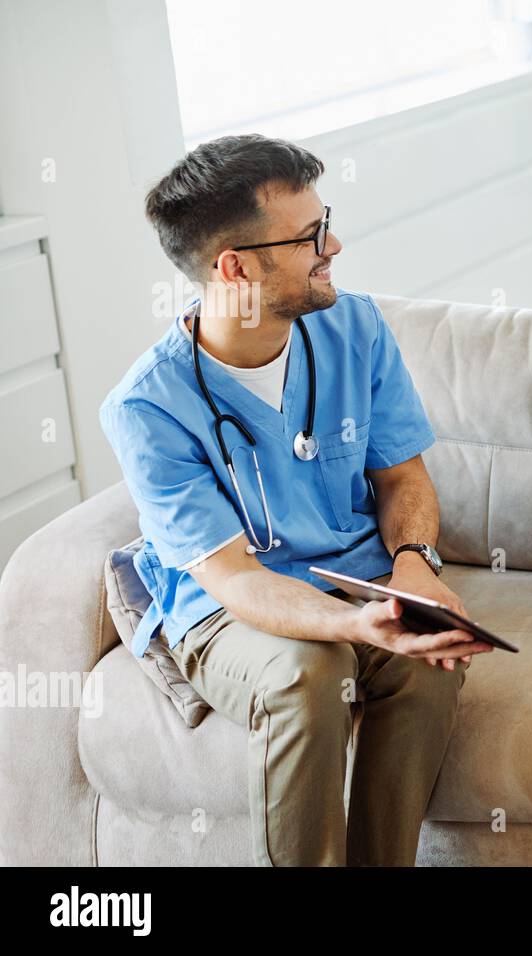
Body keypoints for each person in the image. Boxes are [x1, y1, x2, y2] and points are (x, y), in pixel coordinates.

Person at [100, 134, 495, 866]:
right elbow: (234, 576)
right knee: (308, 675)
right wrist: (355, 625)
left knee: (424, 664)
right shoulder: (148, 408)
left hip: (357, 575)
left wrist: (412, 566)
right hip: (228, 606)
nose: (334, 244)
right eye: (311, 236)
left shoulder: (355, 327)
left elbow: (402, 478)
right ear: (236, 268)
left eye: (327, 221)